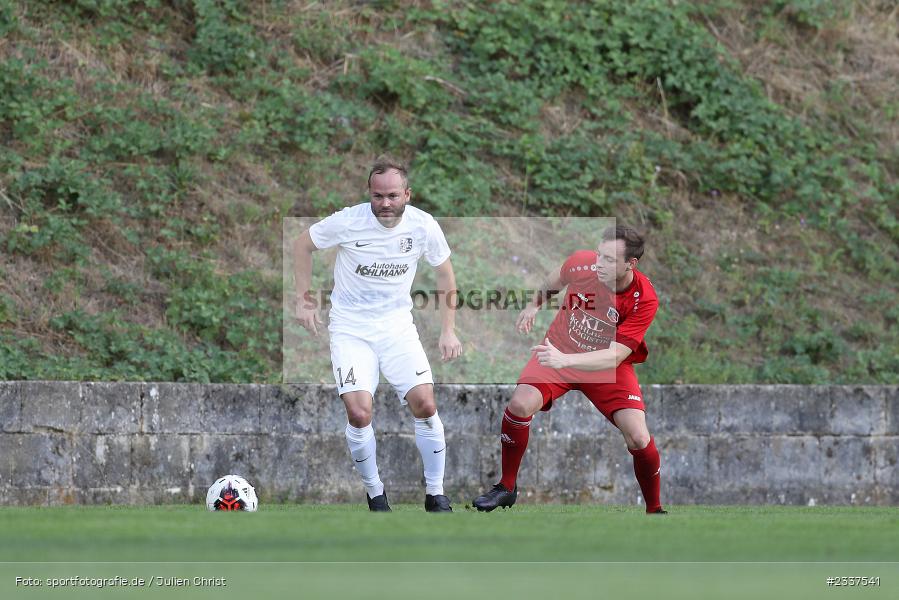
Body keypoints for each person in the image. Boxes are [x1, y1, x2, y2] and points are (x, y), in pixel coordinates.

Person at [293, 156, 462, 512]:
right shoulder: (349, 221)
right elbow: (302, 245)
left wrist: (448, 330)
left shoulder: (423, 226)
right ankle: (375, 494)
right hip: (351, 329)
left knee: (426, 404)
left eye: (393, 196)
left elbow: (445, 274)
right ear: (369, 194)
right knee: (359, 413)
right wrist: (304, 300)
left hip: (397, 328)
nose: (385, 203)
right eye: (378, 196)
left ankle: (436, 493)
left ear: (407, 195)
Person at [472, 225, 666, 514]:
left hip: (605, 366)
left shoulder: (644, 298)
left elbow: (614, 356)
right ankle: (506, 487)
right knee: (520, 405)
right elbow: (554, 280)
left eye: (610, 260)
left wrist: (566, 361)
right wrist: (534, 305)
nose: (599, 264)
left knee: (638, 437)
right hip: (559, 350)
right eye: (599, 255)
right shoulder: (581, 264)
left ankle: (655, 510)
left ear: (631, 264)